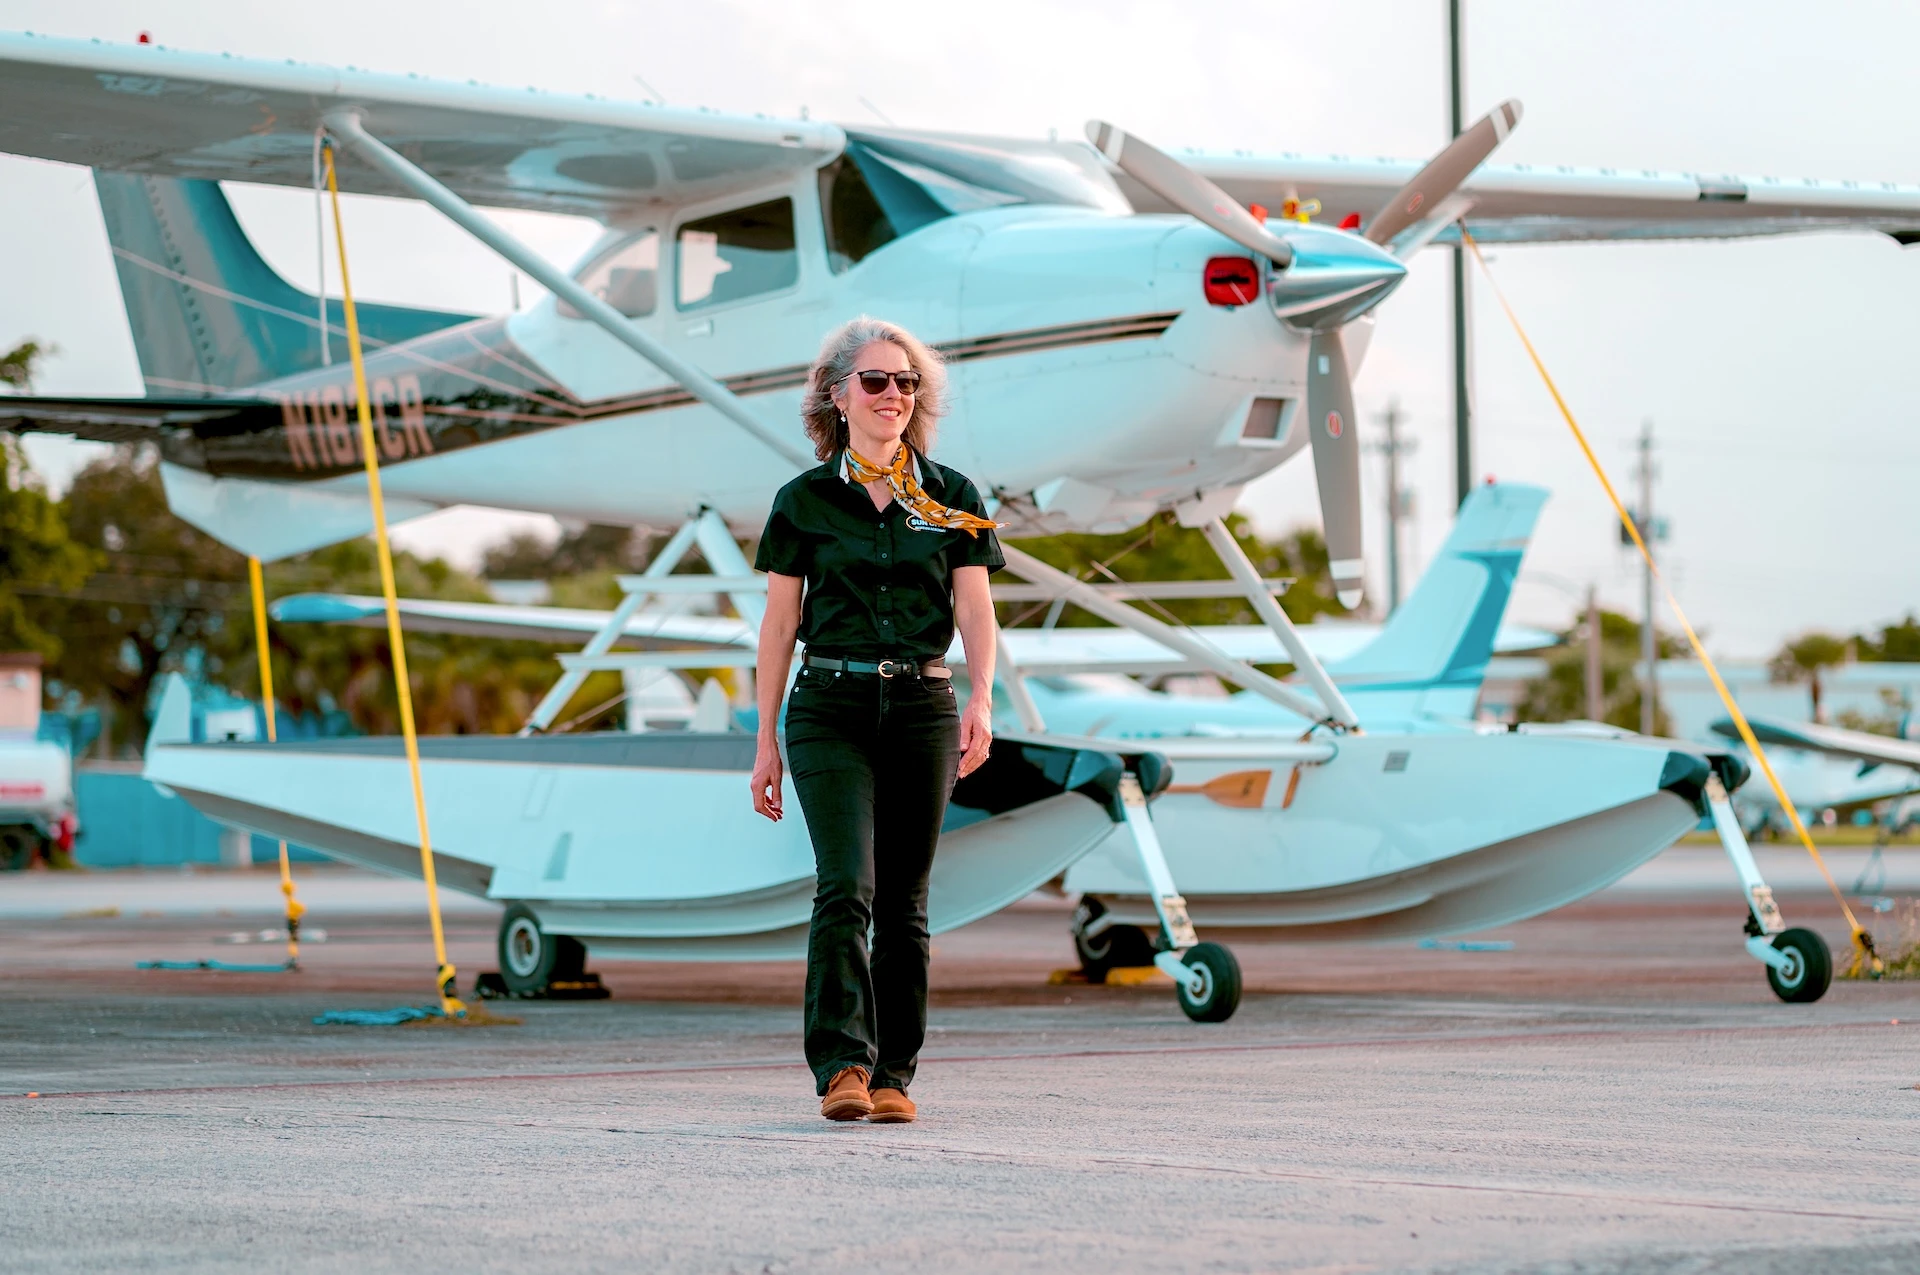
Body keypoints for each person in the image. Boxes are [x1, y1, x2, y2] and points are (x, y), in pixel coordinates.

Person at [751, 316, 1004, 1124]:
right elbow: (779, 627)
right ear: (838, 393)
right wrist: (765, 741)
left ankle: (895, 1073)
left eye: (906, 382)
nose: (893, 393)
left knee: (906, 901)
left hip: (925, 708)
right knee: (845, 887)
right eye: (875, 380)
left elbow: (976, 609)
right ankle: (841, 1067)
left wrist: (984, 697)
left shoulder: (956, 496)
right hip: (829, 705)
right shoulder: (802, 501)